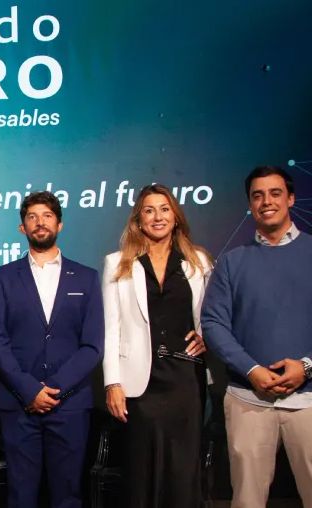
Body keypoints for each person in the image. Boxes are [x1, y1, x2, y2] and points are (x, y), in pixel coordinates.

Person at [202, 166, 312, 508]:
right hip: (248, 399)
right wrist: (252, 370)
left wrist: (307, 366)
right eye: (257, 196)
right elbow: (214, 324)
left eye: (275, 193)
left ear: (290, 198)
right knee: (246, 501)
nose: (266, 202)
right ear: (250, 204)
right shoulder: (232, 262)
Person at [0, 191, 104, 508]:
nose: (40, 222)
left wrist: (54, 388)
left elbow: (92, 345)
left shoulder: (87, 278)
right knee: (21, 495)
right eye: (32, 217)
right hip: (19, 404)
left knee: (68, 495)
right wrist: (29, 390)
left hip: (70, 404)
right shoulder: (2, 277)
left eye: (47, 216)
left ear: (60, 224)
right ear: (22, 227)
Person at [101, 183, 212, 507]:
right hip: (140, 384)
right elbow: (110, 328)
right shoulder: (117, 263)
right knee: (142, 473)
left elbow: (213, 315)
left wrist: (207, 336)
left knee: (183, 472)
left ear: (175, 217)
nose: (157, 217)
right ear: (139, 220)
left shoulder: (199, 262)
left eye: (164, 209)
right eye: (149, 211)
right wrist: (112, 383)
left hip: (186, 380)